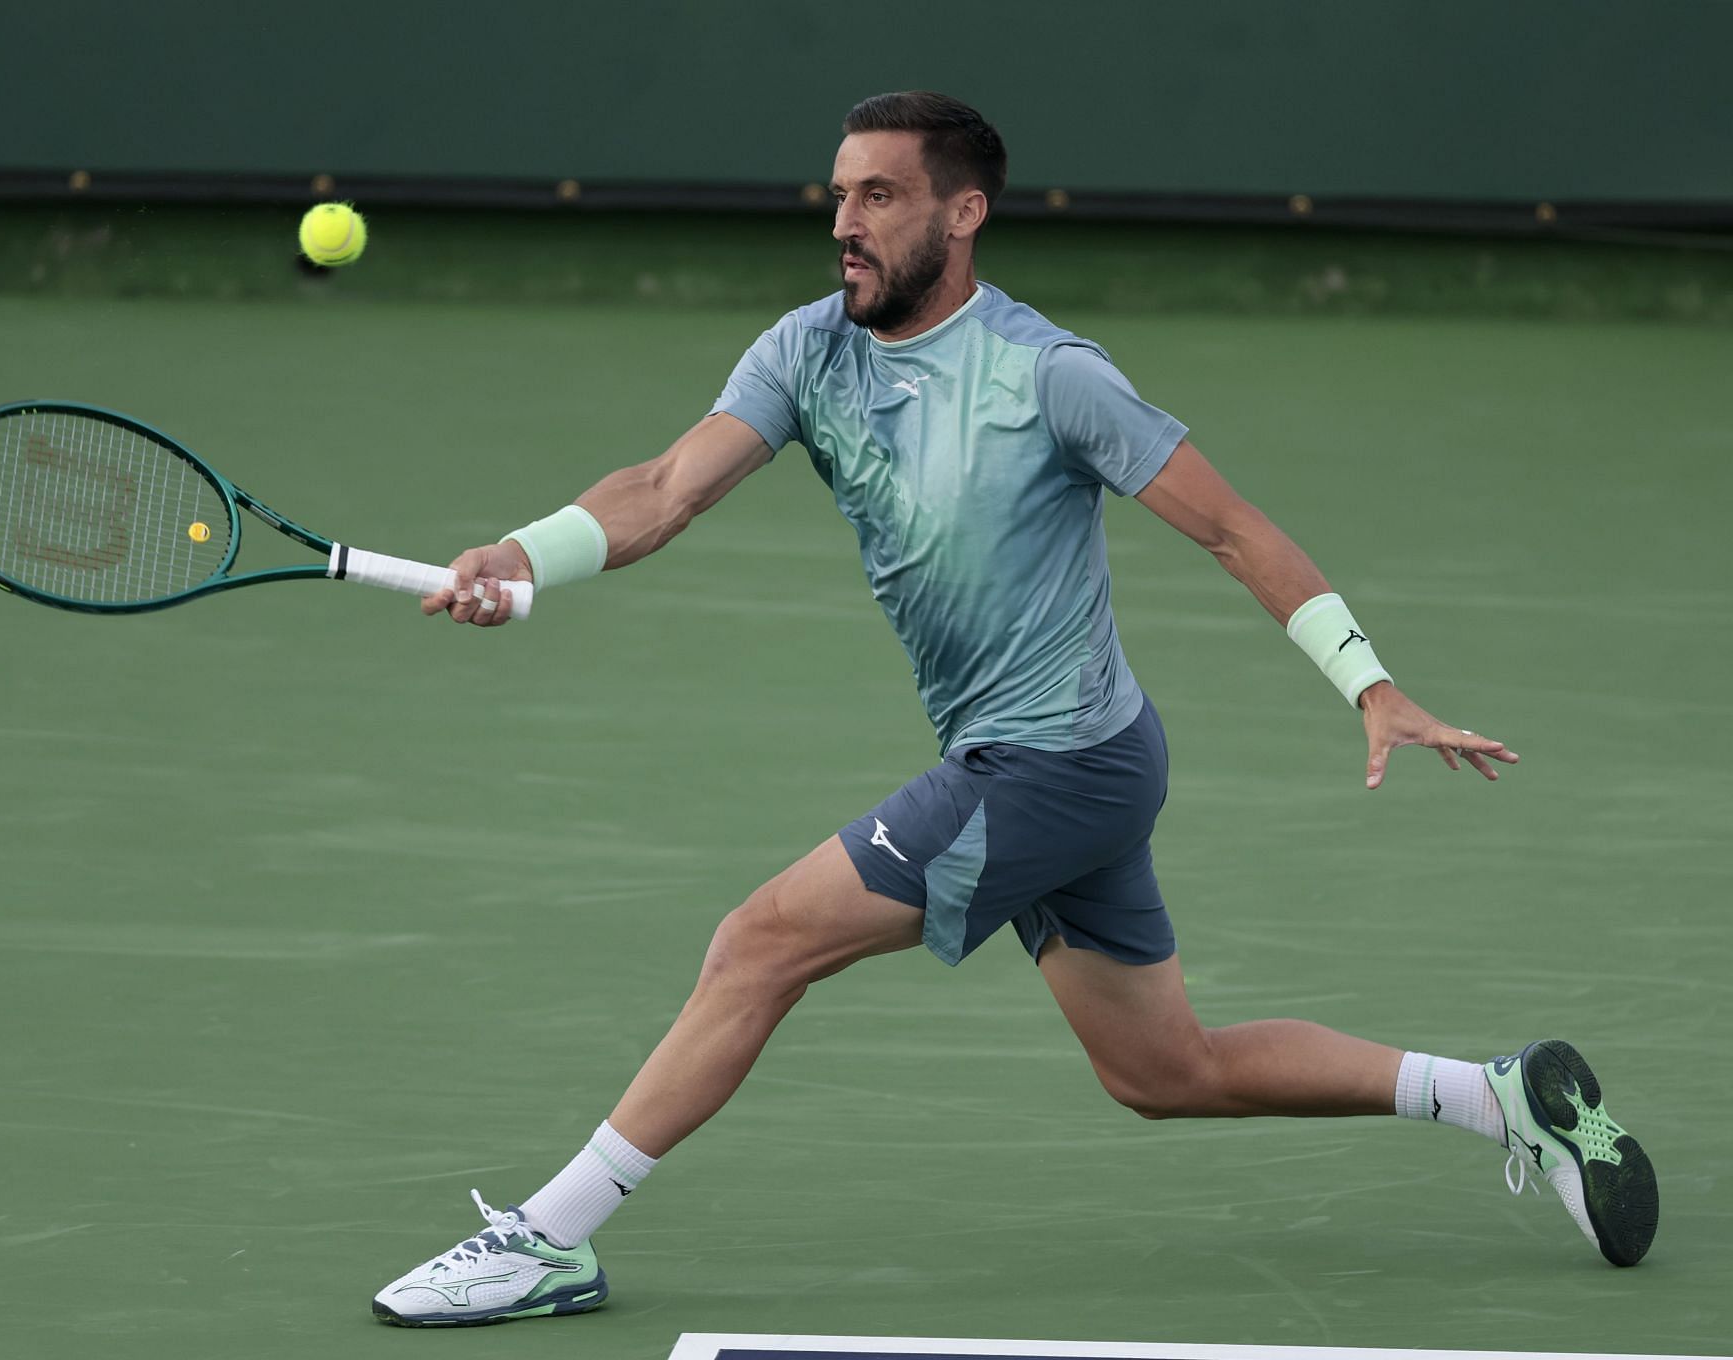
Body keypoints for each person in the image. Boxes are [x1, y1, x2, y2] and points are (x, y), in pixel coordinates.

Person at [370, 92, 1658, 1328]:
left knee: (760, 942)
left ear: (964, 212)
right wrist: (524, 554)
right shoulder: (805, 349)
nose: (846, 224)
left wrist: (1371, 685)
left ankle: (548, 1237)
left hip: (1056, 766)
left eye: (881, 196)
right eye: (838, 195)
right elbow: (661, 488)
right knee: (1163, 1075)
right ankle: (1502, 1101)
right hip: (1064, 760)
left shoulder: (1050, 374)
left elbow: (1232, 529)